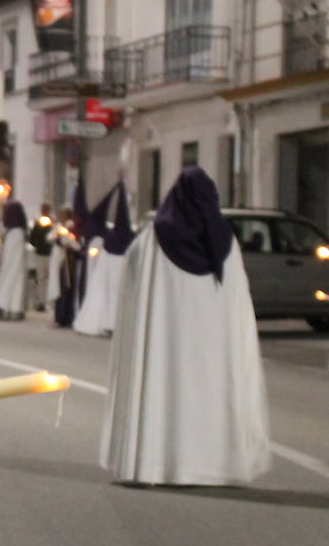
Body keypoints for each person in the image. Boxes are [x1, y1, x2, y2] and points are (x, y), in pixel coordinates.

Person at [102, 167, 271, 486]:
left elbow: (134, 290)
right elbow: (237, 301)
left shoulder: (152, 239)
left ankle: (155, 463)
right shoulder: (223, 242)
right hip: (211, 347)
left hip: (162, 346)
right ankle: (209, 466)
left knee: (161, 388)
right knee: (207, 396)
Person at [75, 179, 133, 337]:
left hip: (109, 269)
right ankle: (111, 323)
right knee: (114, 296)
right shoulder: (123, 238)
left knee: (108, 296)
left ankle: (109, 323)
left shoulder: (109, 238)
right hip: (115, 269)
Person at [0, 200, 29, 320]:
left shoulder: (13, 233)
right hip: (18, 265)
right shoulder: (21, 232)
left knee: (8, 280)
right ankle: (15, 308)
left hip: (11, 264)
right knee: (17, 283)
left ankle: (4, 307)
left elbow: (9, 253)